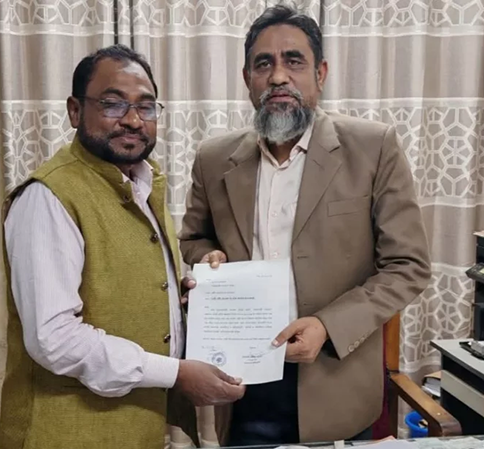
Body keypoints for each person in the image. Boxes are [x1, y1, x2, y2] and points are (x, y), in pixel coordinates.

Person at [179, 5, 431, 446]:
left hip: (337, 380)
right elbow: (194, 239)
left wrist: (328, 326)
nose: (278, 76)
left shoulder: (373, 148)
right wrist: (208, 258)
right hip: (244, 384)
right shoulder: (214, 158)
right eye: (264, 64)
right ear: (247, 79)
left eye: (293, 61)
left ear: (320, 74)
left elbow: (408, 266)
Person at [0, 45, 245, 449]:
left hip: (137, 428)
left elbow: (124, 288)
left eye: (146, 107)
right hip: (66, 435)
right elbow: (54, 339)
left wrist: (180, 304)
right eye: (112, 104)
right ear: (75, 111)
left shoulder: (145, 185)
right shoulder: (48, 197)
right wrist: (177, 374)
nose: (132, 120)